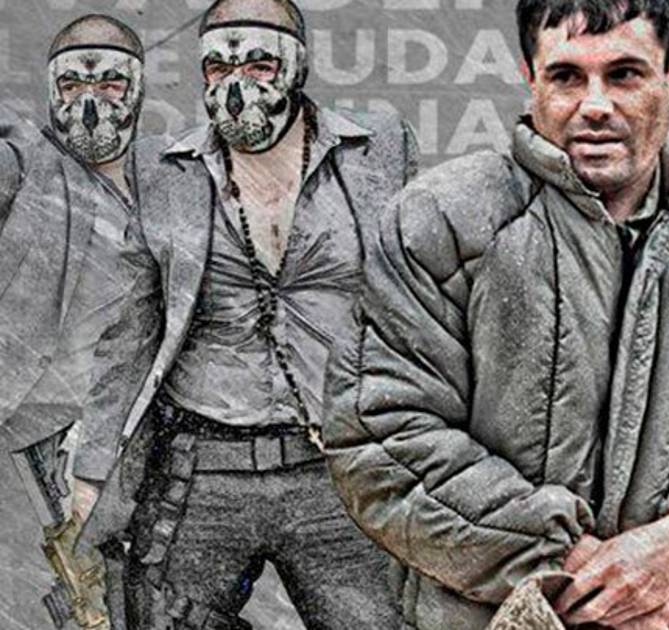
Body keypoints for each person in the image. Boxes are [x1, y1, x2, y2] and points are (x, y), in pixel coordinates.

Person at [322, 1, 669, 628]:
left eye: (624, 74)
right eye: (566, 76)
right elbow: (383, 433)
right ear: (531, 80)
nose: (595, 105)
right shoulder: (439, 221)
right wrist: (586, 572)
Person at [69, 1, 418, 627]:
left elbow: (420, 301)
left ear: (298, 66)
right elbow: (131, 332)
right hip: (202, 464)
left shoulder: (377, 150)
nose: (236, 87)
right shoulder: (161, 168)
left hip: (339, 466)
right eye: (218, 68)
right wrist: (93, 470)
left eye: (260, 65)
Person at [1, 13, 149, 490]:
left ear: (137, 90)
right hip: (21, 423)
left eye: (110, 84)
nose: (90, 101)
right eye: (71, 85)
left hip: (120, 432)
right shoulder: (30, 162)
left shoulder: (167, 188)